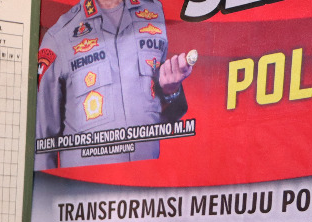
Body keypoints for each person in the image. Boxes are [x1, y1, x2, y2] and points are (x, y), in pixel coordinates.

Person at [34, 0, 194, 169]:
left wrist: (171, 90)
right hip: (88, 190)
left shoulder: (154, 13)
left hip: (147, 183)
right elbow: (43, 145)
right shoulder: (59, 38)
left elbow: (158, 117)